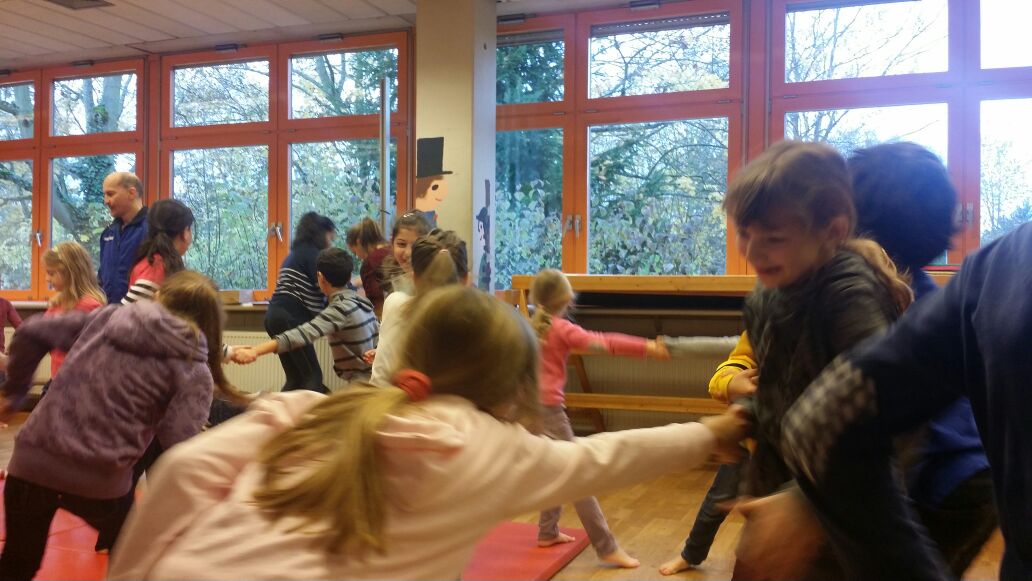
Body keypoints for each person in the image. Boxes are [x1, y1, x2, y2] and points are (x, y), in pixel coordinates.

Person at [107, 285, 750, 581]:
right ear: (512, 393)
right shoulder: (493, 449)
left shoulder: (310, 408)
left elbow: (181, 471)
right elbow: (607, 457)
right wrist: (710, 435)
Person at [719, 140, 913, 580]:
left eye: (774, 239)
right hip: (780, 490)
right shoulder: (766, 295)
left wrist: (804, 505)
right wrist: (746, 414)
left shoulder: (849, 297)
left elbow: (890, 416)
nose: (752, 251)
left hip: (845, 512)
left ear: (833, 230)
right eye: (744, 233)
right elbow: (781, 387)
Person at [0, 271, 241, 580]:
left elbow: (32, 331)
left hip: (32, 462)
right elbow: (177, 444)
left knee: (17, 565)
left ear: (158, 298)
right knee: (137, 562)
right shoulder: (193, 369)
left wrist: (15, 395)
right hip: (99, 481)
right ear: (210, 323)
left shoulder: (107, 317)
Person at [529, 268, 668, 568]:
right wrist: (647, 347)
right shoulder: (560, 329)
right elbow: (605, 342)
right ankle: (606, 547)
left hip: (527, 408)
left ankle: (547, 531)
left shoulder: (531, 327)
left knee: (555, 467)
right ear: (567, 299)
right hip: (548, 410)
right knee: (578, 474)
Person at [658, 332, 756, 575]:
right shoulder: (765, 324)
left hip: (789, 451)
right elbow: (737, 357)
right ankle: (691, 554)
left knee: (767, 517)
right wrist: (729, 381)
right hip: (747, 440)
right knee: (716, 502)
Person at [233, 248, 379, 383]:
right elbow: (380, 337)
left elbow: (300, 335)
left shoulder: (340, 309)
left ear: (320, 277)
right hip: (374, 378)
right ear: (349, 277)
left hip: (362, 384)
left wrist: (255, 351)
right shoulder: (361, 302)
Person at [369, 229, 467, 387]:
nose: (406, 252)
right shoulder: (480, 319)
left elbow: (380, 381)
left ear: (414, 277)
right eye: (401, 243)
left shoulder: (398, 306)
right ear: (465, 280)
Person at [265, 212, 336, 393]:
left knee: (296, 377)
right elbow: (330, 287)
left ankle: (280, 410)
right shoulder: (313, 255)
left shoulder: (294, 255)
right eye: (331, 238)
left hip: (273, 317)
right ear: (321, 234)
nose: (331, 243)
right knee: (312, 377)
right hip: (290, 318)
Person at [41, 241, 106, 378]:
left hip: (80, 380)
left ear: (70, 273)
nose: (47, 279)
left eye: (51, 273)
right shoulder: (58, 303)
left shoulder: (90, 306)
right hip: (58, 376)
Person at [122, 199, 193, 305]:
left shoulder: (155, 261)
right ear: (185, 233)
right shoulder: (156, 267)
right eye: (190, 229)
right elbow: (126, 311)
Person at [98, 172, 148, 304]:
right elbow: (102, 278)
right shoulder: (108, 233)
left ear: (131, 193)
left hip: (141, 312)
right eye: (104, 195)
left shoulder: (153, 230)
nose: (106, 201)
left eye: (110, 194)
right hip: (109, 312)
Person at [346, 218, 391, 317]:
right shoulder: (391, 249)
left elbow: (375, 304)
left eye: (355, 252)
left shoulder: (369, 263)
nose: (357, 256)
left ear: (359, 242)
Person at [379, 211, 431, 297]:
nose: (408, 253)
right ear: (392, 244)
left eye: (416, 245)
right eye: (402, 244)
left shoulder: (434, 281)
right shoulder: (391, 277)